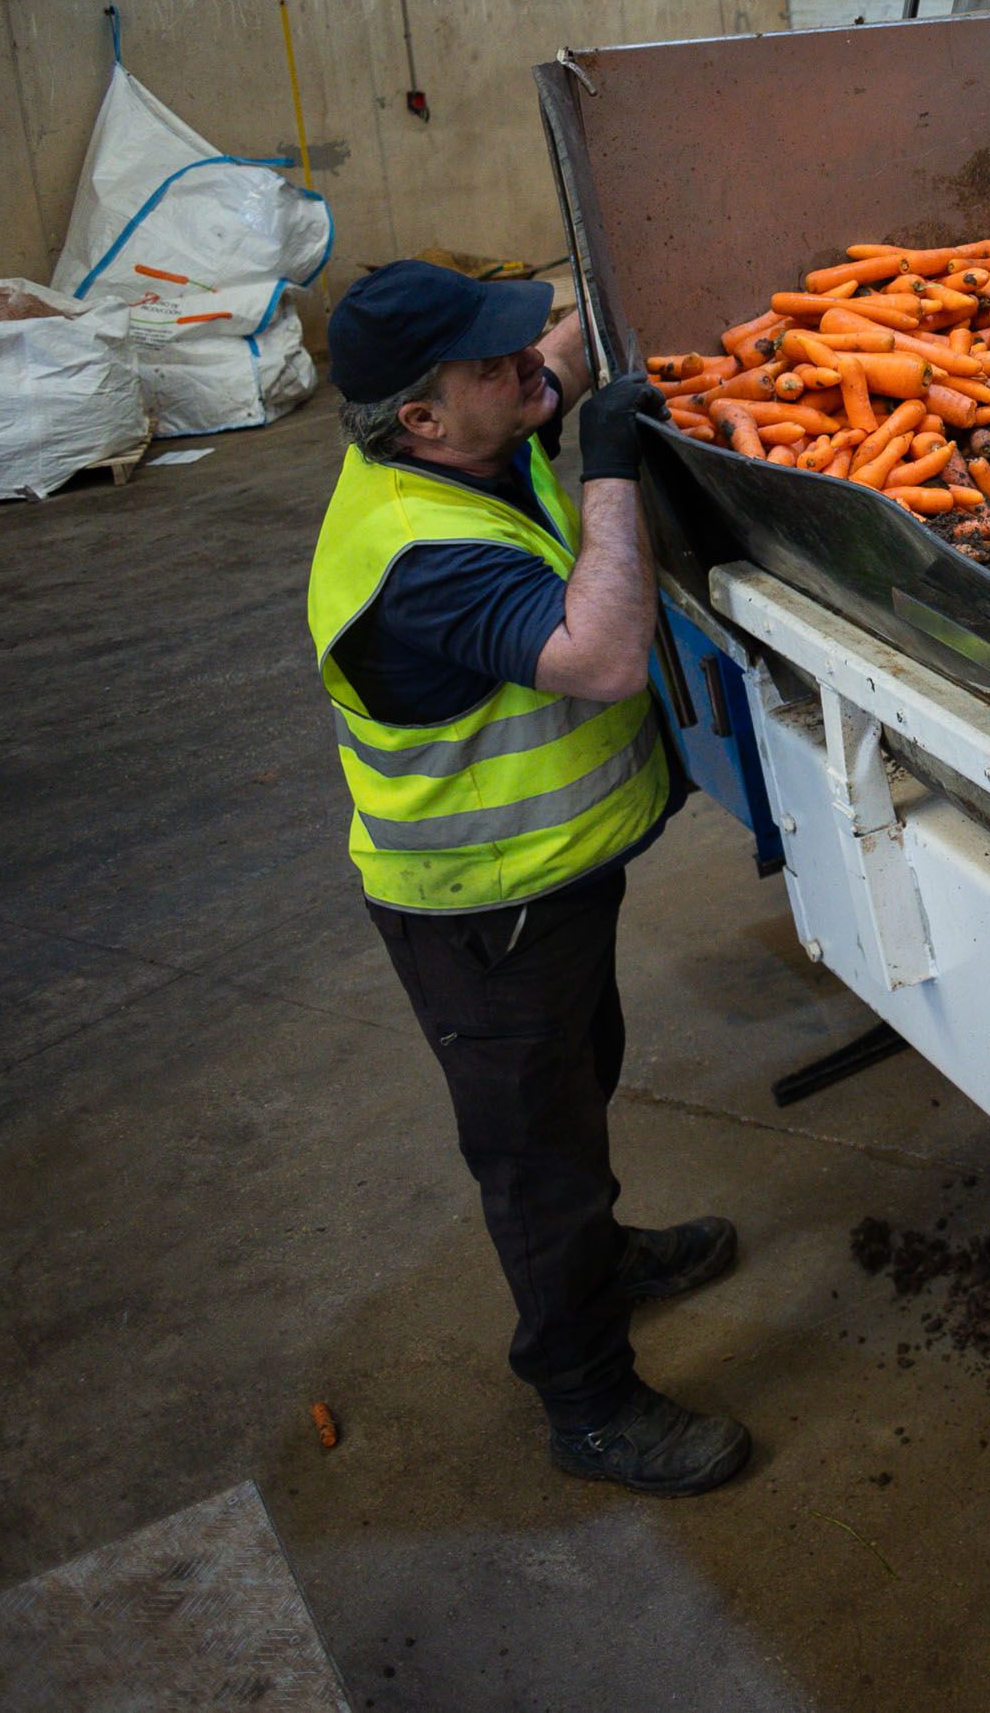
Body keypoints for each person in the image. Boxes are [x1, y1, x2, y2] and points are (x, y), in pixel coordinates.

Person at [308, 261, 751, 1494]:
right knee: (537, 1164)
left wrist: (636, 265)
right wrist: (609, 469)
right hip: (479, 914)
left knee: (582, 1083)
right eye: (489, 364)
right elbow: (605, 656)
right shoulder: (419, 556)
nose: (526, 372)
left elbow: (560, 348)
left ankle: (605, 1262)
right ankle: (589, 1403)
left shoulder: (464, 433)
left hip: (553, 885)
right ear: (422, 420)